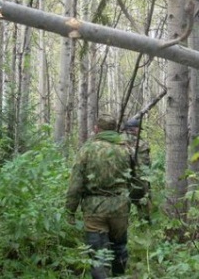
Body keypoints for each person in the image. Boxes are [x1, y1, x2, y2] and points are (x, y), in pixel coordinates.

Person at [66, 114, 134, 279]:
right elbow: (136, 180)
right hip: (120, 207)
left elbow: (76, 183)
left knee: (98, 256)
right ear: (114, 129)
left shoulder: (87, 149)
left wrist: (70, 210)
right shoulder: (127, 149)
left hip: (94, 209)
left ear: (97, 129)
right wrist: (140, 204)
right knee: (119, 248)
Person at [122, 117, 152, 223]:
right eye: (139, 129)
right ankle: (144, 224)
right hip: (138, 177)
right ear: (134, 129)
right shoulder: (141, 143)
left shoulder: (117, 140)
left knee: (123, 202)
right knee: (144, 202)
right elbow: (144, 164)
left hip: (121, 177)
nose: (139, 131)